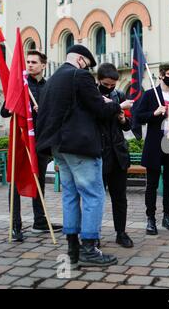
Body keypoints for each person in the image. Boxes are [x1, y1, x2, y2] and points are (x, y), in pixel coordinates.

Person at [36, 45, 133, 267]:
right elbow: (99, 109)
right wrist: (119, 105)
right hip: (79, 146)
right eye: (88, 65)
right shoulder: (79, 75)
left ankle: (73, 249)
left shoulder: (51, 80)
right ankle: (89, 248)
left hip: (58, 147)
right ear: (81, 60)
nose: (88, 70)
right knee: (93, 194)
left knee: (70, 195)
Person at [0, 50, 62, 242]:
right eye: (27, 62)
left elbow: (55, 115)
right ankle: (15, 225)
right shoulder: (20, 85)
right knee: (16, 183)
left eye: (34, 62)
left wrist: (42, 110)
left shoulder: (49, 86)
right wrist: (15, 104)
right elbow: (4, 112)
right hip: (21, 141)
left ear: (43, 65)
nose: (30, 65)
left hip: (40, 142)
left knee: (39, 181)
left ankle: (40, 221)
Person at [133, 63, 169, 235]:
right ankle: (151, 218)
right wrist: (154, 113)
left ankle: (167, 215)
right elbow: (138, 116)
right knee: (152, 184)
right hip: (155, 144)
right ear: (161, 75)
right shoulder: (149, 95)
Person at [97, 63, 133, 248]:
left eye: (112, 85)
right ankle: (93, 235)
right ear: (99, 80)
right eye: (106, 84)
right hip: (99, 154)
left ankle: (121, 232)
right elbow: (97, 115)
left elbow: (128, 125)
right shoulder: (92, 95)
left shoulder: (120, 95)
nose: (109, 87)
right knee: (96, 198)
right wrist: (117, 107)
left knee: (120, 197)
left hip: (118, 153)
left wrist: (123, 119)